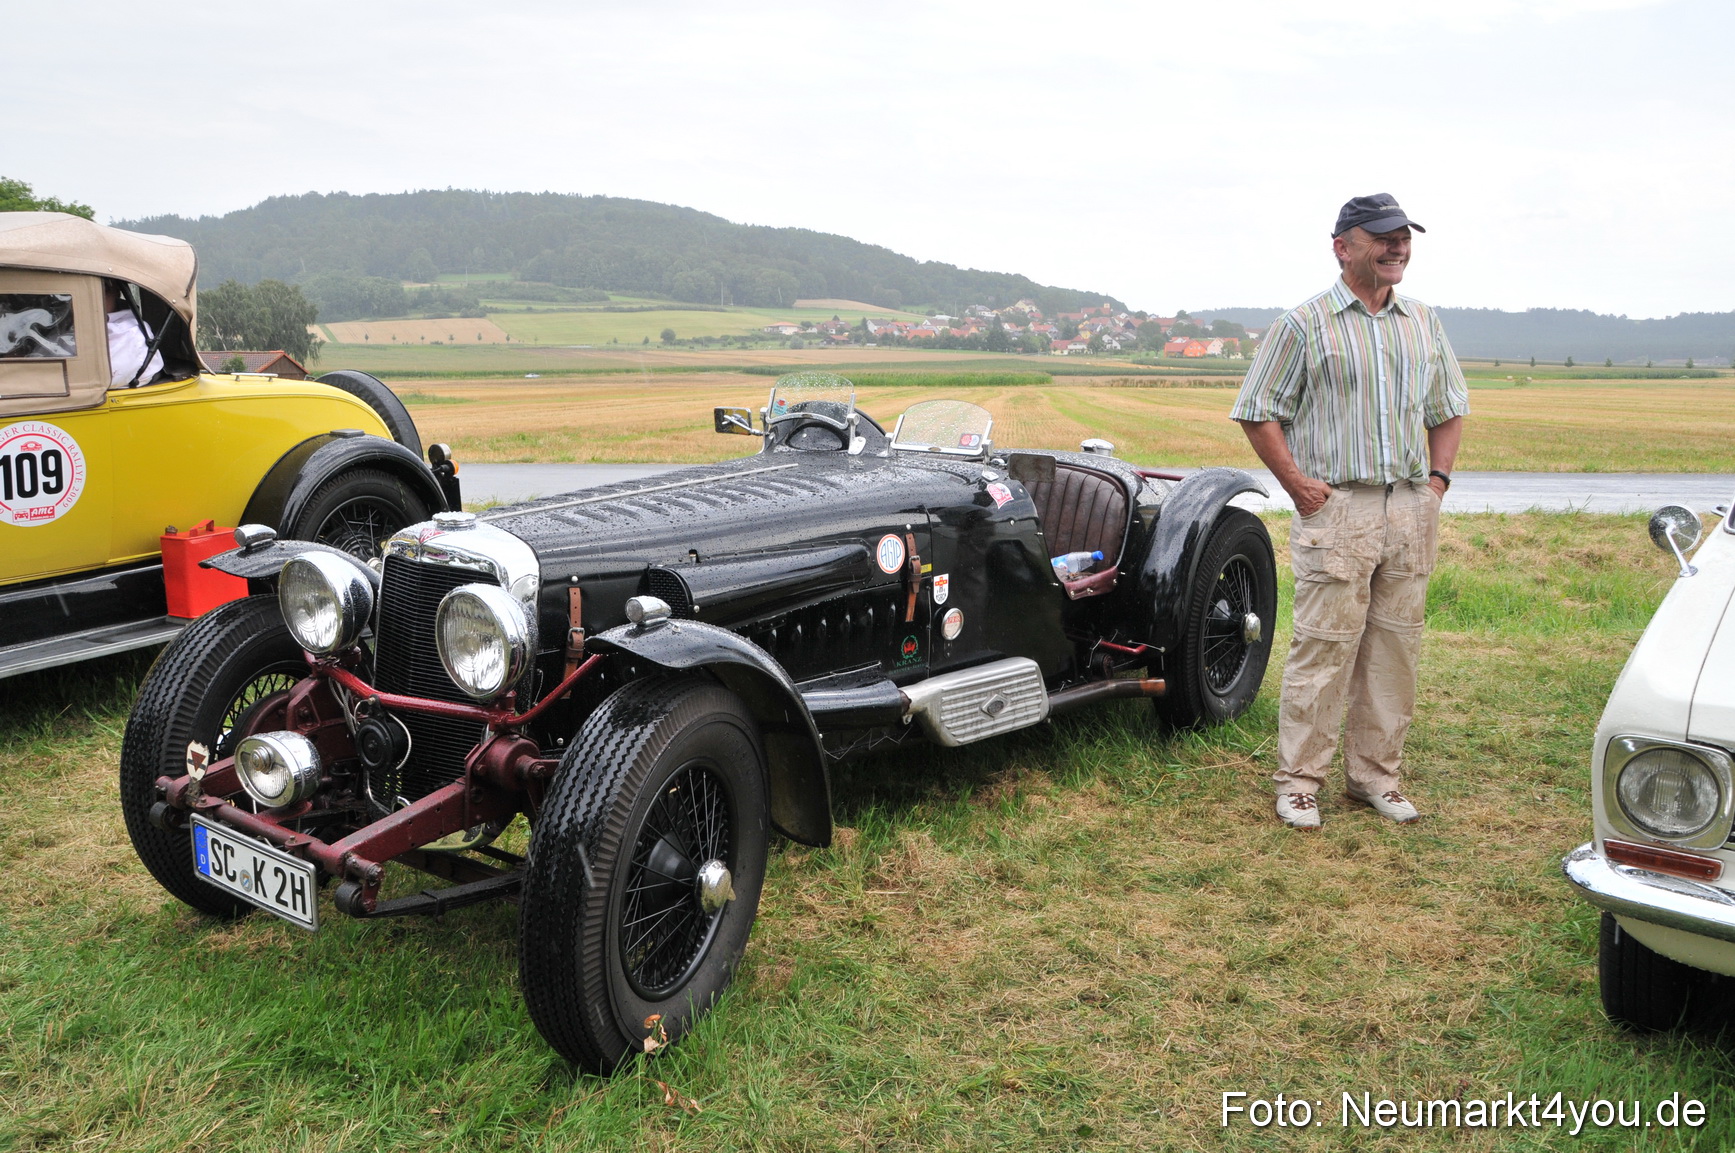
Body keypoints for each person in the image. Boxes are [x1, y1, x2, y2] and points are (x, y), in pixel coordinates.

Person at [1229, 193, 1468, 829]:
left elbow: (1447, 408)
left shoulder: (1423, 321)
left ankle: (1374, 778)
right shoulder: (1304, 324)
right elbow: (1258, 411)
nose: (1397, 247)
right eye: (1382, 237)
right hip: (1338, 508)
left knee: (1395, 649)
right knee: (1324, 647)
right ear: (1343, 247)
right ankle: (1300, 782)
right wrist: (1301, 488)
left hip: (1410, 509)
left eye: (1403, 238)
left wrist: (1437, 484)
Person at [104, 279, 163, 387]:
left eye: (104, 290)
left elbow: (96, 382)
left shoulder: (132, 333)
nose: (94, 298)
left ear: (116, 293)